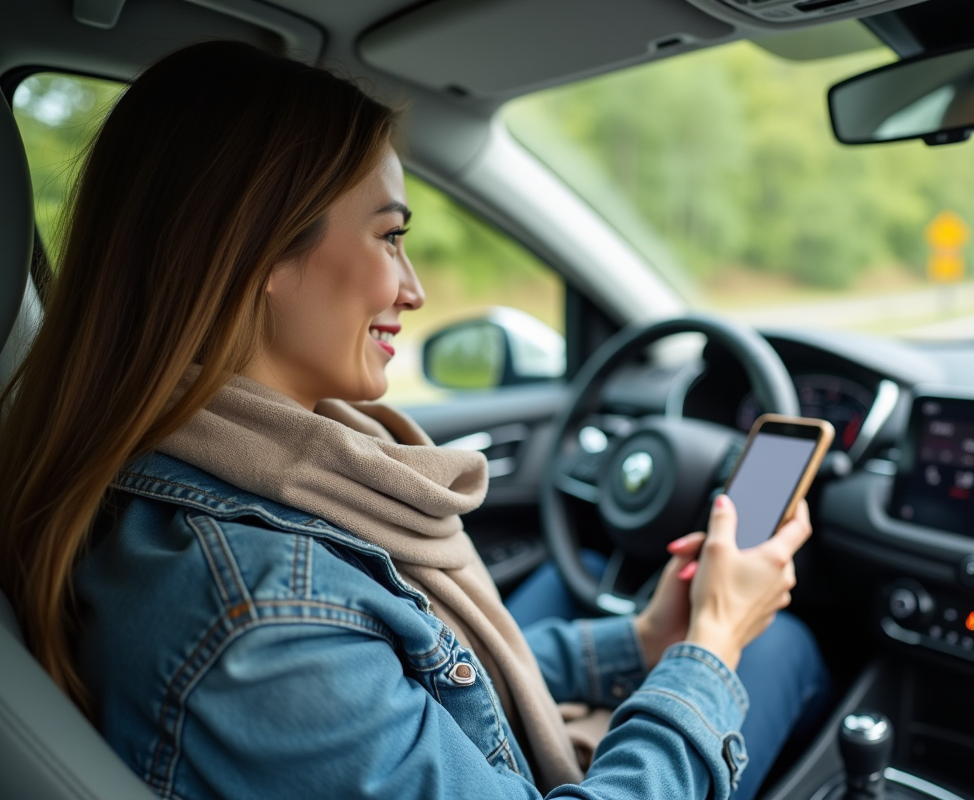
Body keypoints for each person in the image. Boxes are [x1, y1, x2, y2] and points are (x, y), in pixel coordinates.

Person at [0, 41, 828, 800]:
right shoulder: (258, 615)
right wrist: (712, 645)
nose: (415, 288)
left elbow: (421, 681)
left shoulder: (179, 468)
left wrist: (641, 643)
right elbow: (331, 671)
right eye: (390, 237)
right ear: (262, 256)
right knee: (782, 649)